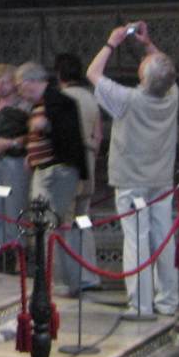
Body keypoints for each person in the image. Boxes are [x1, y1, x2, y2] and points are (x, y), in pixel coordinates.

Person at [87, 21, 179, 320]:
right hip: (161, 181)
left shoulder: (128, 100)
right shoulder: (172, 96)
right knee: (164, 239)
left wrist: (111, 43)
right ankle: (167, 301)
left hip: (131, 182)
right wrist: (148, 44)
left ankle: (140, 305)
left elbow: (93, 74)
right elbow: (168, 71)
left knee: (136, 241)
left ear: (142, 76)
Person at [21, 66, 88, 298]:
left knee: (50, 226)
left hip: (56, 173)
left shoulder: (56, 101)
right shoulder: (43, 102)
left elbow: (61, 132)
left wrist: (44, 126)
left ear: (31, 82)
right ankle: (59, 281)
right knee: (50, 226)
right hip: (47, 170)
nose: (21, 92)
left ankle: (58, 284)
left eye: (21, 86)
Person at [55, 52, 103, 293]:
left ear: (59, 74)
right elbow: (99, 135)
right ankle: (90, 274)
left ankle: (68, 277)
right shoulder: (90, 97)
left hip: (68, 166)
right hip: (88, 162)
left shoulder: (60, 98)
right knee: (83, 220)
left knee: (64, 222)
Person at [0, 64, 32, 262]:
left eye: (6, 81)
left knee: (15, 208)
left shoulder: (25, 106)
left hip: (15, 162)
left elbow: (31, 136)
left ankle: (17, 254)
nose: (1, 86)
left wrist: (9, 143)